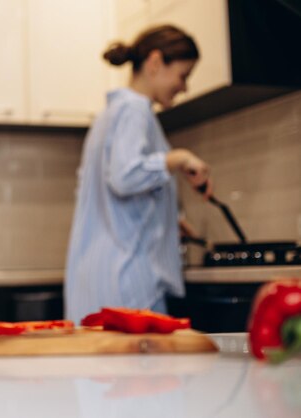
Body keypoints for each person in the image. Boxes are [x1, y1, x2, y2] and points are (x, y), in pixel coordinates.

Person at [65, 25, 212, 323]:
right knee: (140, 370)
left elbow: (112, 196)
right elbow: (125, 176)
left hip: (97, 279)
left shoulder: (109, 114)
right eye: (183, 76)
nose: (184, 88)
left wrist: (166, 219)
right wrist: (179, 158)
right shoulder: (135, 110)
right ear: (155, 62)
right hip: (127, 283)